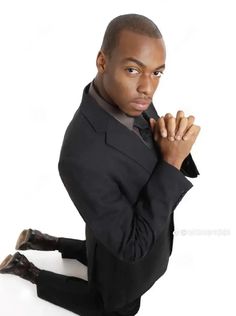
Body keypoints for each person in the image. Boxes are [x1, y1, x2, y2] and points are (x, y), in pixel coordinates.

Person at [0, 13, 200, 316]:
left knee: (102, 249)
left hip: (124, 233)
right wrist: (171, 161)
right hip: (131, 253)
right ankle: (30, 271)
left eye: (157, 73)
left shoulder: (132, 97)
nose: (148, 88)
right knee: (110, 306)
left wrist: (171, 144)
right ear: (103, 62)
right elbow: (131, 247)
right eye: (133, 69)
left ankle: (46, 241)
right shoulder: (78, 156)